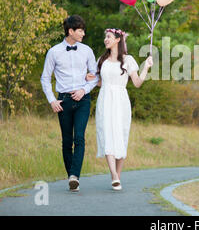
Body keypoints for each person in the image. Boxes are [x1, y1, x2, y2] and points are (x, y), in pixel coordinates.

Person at [86, 28, 152, 191]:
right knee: (107, 134)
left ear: (117, 40)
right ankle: (113, 175)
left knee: (121, 136)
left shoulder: (128, 60)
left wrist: (146, 67)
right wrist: (90, 78)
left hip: (121, 101)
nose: (105, 40)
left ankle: (118, 176)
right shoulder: (102, 59)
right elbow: (100, 82)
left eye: (108, 37)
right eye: (105, 37)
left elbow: (137, 83)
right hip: (105, 99)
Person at [40, 15, 98, 192]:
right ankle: (71, 176)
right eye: (80, 30)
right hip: (63, 101)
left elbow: (95, 76)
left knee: (79, 138)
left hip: (83, 99)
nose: (83, 33)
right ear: (70, 31)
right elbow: (44, 78)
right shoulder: (54, 52)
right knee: (66, 141)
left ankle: (75, 176)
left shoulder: (87, 50)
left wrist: (84, 90)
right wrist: (52, 100)